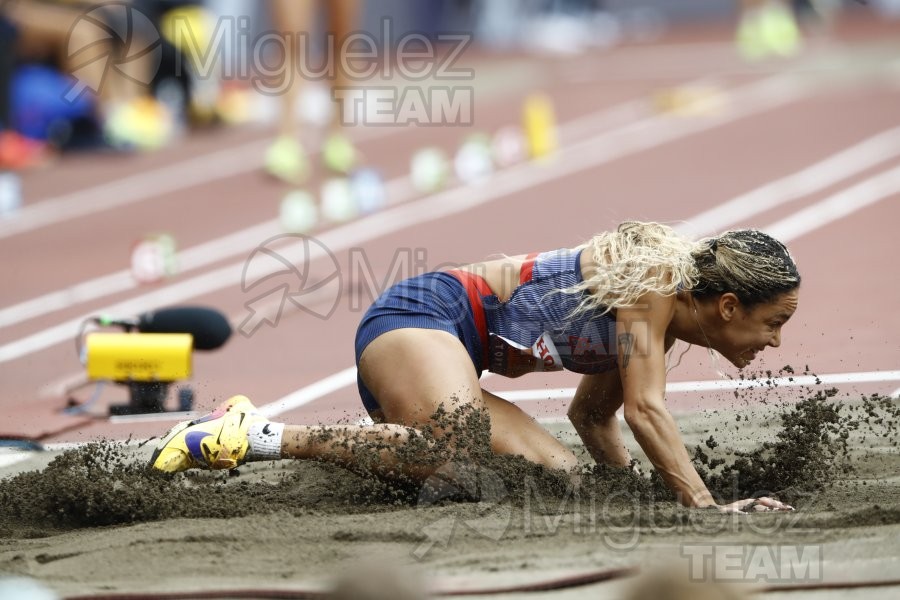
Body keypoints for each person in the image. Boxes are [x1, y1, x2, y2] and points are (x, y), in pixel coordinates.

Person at [150, 222, 800, 513]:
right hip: (421, 319)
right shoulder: (653, 290)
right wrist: (705, 505)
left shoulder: (661, 326)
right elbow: (646, 410)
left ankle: (404, 446)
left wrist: (624, 490)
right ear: (726, 305)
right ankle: (251, 433)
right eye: (773, 323)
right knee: (454, 449)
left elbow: (593, 416)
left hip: (447, 364)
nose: (772, 342)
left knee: (558, 478)